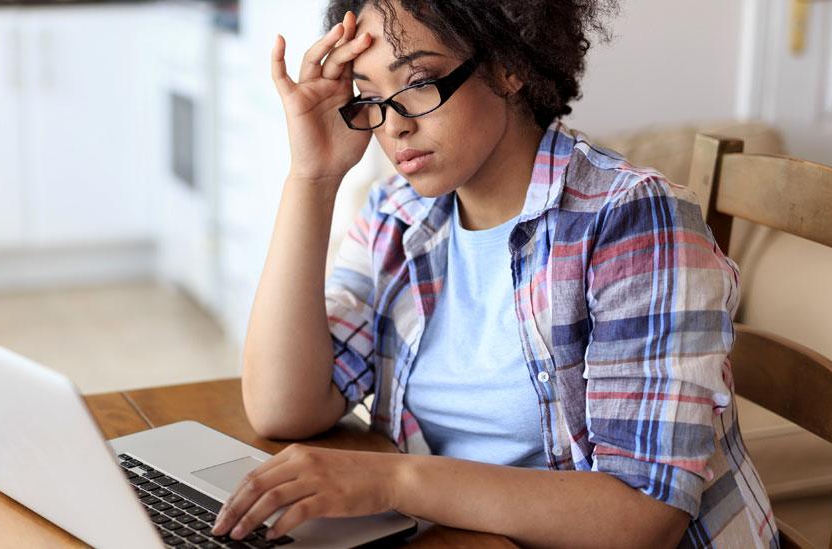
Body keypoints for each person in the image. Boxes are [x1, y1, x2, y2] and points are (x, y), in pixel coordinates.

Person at [212, 1, 777, 547]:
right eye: (369, 96)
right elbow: (284, 408)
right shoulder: (399, 214)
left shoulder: (632, 219)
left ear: (509, 66)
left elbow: (645, 518)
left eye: (417, 83)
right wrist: (312, 179)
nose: (393, 127)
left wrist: (390, 480)